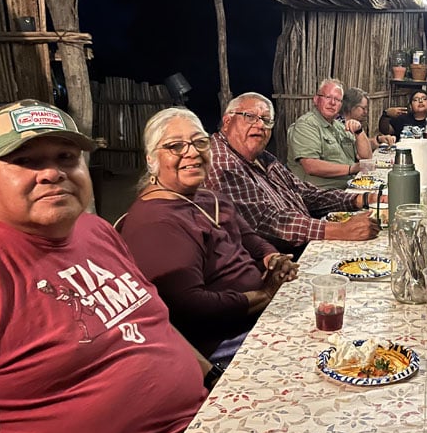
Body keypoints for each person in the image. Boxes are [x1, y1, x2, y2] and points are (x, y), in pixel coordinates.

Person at [0, 99, 206, 433]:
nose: (51, 173)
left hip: (205, 425)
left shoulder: (96, 229)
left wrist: (215, 377)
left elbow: (153, 321)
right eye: (26, 161)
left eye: (66, 157)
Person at [118, 108, 299, 364]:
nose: (192, 152)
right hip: (223, 340)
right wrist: (264, 295)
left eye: (200, 142)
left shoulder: (209, 197)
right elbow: (191, 307)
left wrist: (273, 258)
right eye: (175, 146)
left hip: (259, 313)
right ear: (151, 159)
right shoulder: (156, 222)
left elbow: (250, 239)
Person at [203, 92, 382, 258]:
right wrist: (337, 230)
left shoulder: (260, 156)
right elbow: (264, 221)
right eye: (250, 117)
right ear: (227, 122)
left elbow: (304, 192)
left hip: (305, 239)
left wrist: (364, 198)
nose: (259, 125)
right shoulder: (222, 161)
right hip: (277, 261)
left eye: (266, 120)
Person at [287, 78, 373, 189]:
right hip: (319, 194)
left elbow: (367, 158)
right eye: (328, 97)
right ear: (316, 99)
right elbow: (311, 166)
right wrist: (351, 169)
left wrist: (359, 132)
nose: (332, 103)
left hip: (348, 187)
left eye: (337, 100)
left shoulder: (339, 126)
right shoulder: (306, 125)